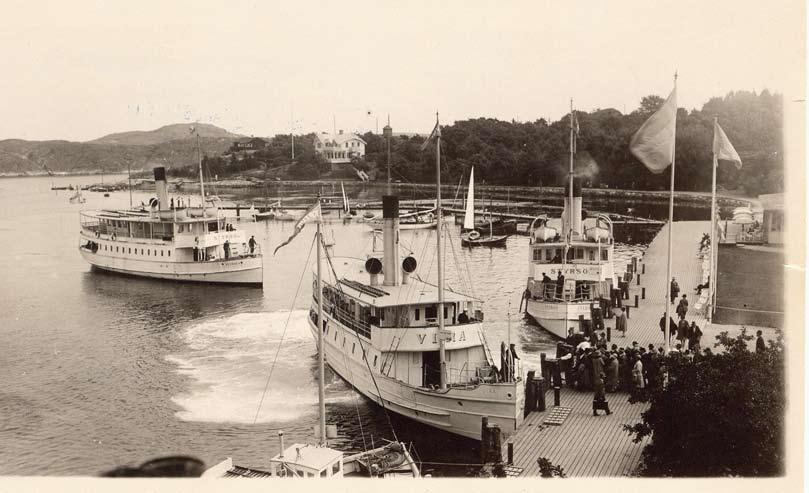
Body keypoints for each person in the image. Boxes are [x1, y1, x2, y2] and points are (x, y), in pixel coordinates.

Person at [592, 350, 611, 416]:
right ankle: (607, 411)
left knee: (596, 397)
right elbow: (604, 364)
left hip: (595, 378)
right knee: (602, 396)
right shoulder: (600, 359)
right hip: (600, 379)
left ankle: (595, 411)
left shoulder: (593, 360)